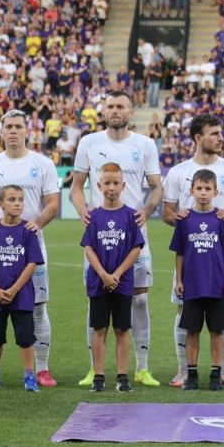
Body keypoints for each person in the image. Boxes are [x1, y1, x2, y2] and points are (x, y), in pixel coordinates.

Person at [70, 91, 164, 388]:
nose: (115, 110)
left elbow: (156, 187)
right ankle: (93, 369)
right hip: (100, 235)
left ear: (130, 111)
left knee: (139, 301)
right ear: (104, 110)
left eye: (120, 106)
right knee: (96, 299)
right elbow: (76, 186)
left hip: (134, 236)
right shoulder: (89, 142)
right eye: (110, 106)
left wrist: (146, 210)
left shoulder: (145, 144)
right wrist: (82, 209)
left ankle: (141, 368)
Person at [0, 109, 61, 388]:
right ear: (1, 132)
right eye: (8, 126)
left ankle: (42, 369)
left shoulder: (43, 164)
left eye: (18, 126)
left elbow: (53, 204)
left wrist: (36, 224)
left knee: (37, 308)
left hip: (31, 247)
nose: (12, 131)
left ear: (27, 131)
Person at [162, 113, 224, 387]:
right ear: (199, 138)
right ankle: (183, 371)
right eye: (214, 133)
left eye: (221, 132)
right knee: (184, 314)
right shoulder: (178, 172)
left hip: (221, 257)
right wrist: (179, 216)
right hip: (191, 257)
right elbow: (166, 211)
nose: (221, 138)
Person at [79, 163, 145, 393]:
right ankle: (98, 376)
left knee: (122, 329)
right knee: (99, 329)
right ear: (99, 186)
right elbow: (89, 248)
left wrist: (115, 274)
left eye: (116, 183)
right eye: (106, 183)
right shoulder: (94, 217)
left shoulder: (130, 216)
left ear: (123, 185)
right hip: (99, 282)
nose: (111, 187)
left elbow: (136, 248)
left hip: (122, 282)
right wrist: (104, 274)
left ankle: (122, 376)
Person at [169, 169, 224, 391]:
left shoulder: (222, 219)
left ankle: (216, 374)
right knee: (192, 331)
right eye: (199, 188)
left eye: (208, 189)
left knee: (217, 331)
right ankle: (192, 374)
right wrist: (179, 280)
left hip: (217, 285)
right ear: (191, 191)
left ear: (216, 191)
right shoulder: (185, 219)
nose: (203, 193)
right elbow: (179, 252)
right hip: (193, 285)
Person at [0, 185, 44, 392]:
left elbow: (32, 263)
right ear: (1, 204)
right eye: (12, 199)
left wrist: (14, 289)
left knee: (25, 338)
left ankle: (29, 376)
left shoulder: (28, 231)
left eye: (20, 200)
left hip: (22, 295)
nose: (17, 204)